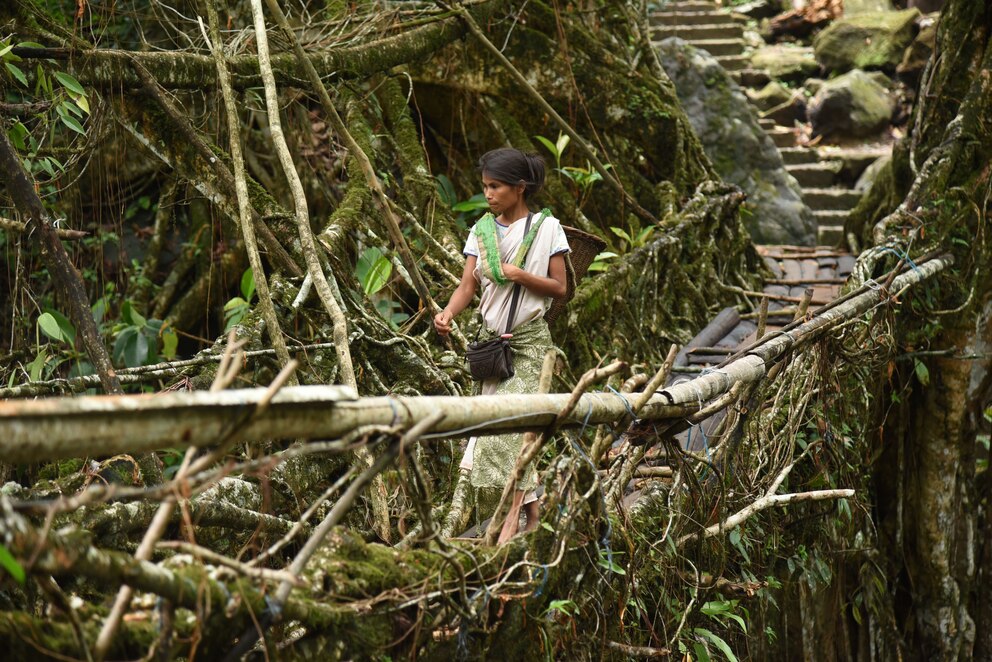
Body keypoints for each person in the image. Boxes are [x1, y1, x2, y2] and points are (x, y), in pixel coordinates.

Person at [434, 147, 570, 541]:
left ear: (520, 187)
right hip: (492, 347)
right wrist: (447, 314)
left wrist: (519, 274)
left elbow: (559, 288)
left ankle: (512, 521)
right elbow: (467, 285)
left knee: (515, 430)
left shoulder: (547, 229)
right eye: (485, 187)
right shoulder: (481, 232)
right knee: (495, 428)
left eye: (495, 186)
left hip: (530, 344)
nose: (489, 194)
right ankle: (533, 512)